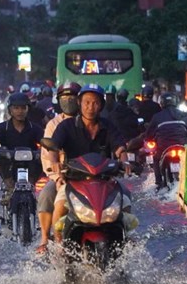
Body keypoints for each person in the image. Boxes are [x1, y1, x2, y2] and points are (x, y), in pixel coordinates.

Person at [47, 84, 131, 242]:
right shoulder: (66, 126)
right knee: (59, 206)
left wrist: (124, 162)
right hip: (74, 181)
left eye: (95, 102)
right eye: (87, 102)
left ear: (101, 105)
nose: (90, 107)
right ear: (79, 103)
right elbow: (54, 147)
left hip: (104, 180)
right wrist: (54, 162)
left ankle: (127, 239)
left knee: (125, 198)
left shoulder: (108, 126)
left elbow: (120, 147)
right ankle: (58, 245)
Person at [35, 81, 81, 253]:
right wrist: (57, 177)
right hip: (64, 175)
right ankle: (45, 239)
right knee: (46, 196)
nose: (68, 101)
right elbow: (49, 154)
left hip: (92, 175)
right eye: (64, 97)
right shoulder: (54, 125)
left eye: (72, 97)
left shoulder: (92, 122)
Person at [0, 92, 43, 199]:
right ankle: (10, 188)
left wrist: (48, 149)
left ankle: (31, 187)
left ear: (28, 109)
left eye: (23, 108)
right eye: (16, 108)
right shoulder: (2, 127)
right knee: (2, 151)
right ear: (10, 110)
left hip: (30, 165)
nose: (20, 111)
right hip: (9, 164)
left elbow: (45, 142)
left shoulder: (35, 128)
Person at [145, 92, 187, 189]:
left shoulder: (157, 117)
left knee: (156, 159)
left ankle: (159, 183)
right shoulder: (183, 115)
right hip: (182, 146)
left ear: (162, 103)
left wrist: (150, 138)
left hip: (164, 148)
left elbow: (148, 135)